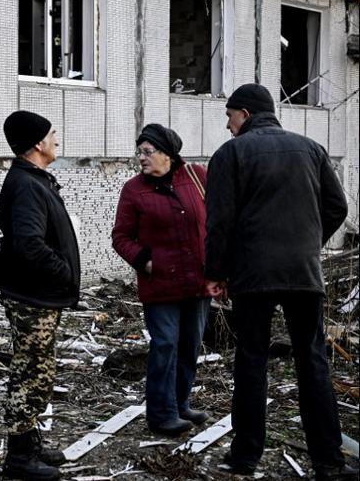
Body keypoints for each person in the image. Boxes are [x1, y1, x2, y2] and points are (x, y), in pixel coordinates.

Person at [205, 84, 355, 479]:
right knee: (313, 361)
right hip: (303, 273)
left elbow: (219, 221)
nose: (227, 125)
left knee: (251, 360)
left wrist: (215, 272)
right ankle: (329, 461)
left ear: (246, 114)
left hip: (252, 275)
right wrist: (307, 244)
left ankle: (244, 458)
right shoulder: (311, 149)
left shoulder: (230, 154)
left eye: (229, 116)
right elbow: (337, 207)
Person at [0, 110, 80, 481]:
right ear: (36, 144)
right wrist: (63, 271)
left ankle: (30, 443)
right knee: (30, 374)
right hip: (33, 299)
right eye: (51, 134)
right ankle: (19, 458)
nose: (56, 140)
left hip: (38, 297)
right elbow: (29, 244)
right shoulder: (28, 184)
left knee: (38, 372)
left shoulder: (33, 179)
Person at [112, 124, 211, 437]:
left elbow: (215, 220)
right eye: (139, 152)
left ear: (167, 154)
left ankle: (180, 403)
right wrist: (145, 260)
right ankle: (161, 414)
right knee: (165, 344)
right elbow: (121, 237)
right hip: (160, 283)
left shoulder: (196, 176)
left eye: (147, 152)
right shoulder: (134, 190)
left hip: (197, 280)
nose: (141, 158)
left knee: (189, 345)